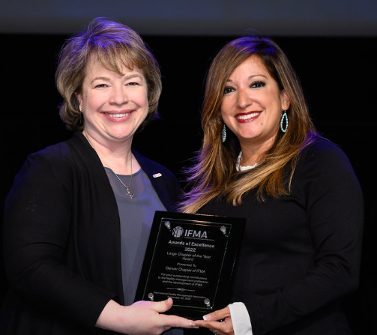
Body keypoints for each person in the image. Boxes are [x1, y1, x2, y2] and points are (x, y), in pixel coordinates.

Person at [0, 17, 198, 335]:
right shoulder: (50, 168)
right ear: (78, 97)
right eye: (102, 84)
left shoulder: (163, 178)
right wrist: (119, 317)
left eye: (132, 82)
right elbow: (30, 267)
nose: (119, 98)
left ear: (149, 94)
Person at [181, 36, 364, 335]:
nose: (242, 101)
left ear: (284, 97)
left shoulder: (319, 162)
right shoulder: (211, 182)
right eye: (229, 89)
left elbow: (340, 270)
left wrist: (249, 318)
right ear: (217, 106)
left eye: (256, 84)